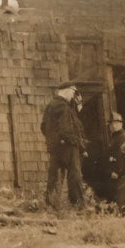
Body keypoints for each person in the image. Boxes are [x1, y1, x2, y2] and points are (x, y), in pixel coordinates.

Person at [41, 80, 86, 210]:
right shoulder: (63, 107)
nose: (74, 96)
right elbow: (67, 129)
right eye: (73, 92)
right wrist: (78, 145)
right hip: (68, 146)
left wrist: (53, 140)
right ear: (67, 91)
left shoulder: (51, 105)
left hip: (54, 147)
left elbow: (43, 126)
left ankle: (51, 205)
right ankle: (77, 205)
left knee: (54, 176)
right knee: (75, 174)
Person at [106, 112, 125, 213]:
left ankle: (124, 217)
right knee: (119, 194)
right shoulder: (116, 136)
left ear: (121, 124)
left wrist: (116, 171)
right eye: (111, 124)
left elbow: (121, 156)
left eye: (116, 123)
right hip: (122, 171)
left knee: (122, 195)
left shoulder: (123, 137)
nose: (113, 126)